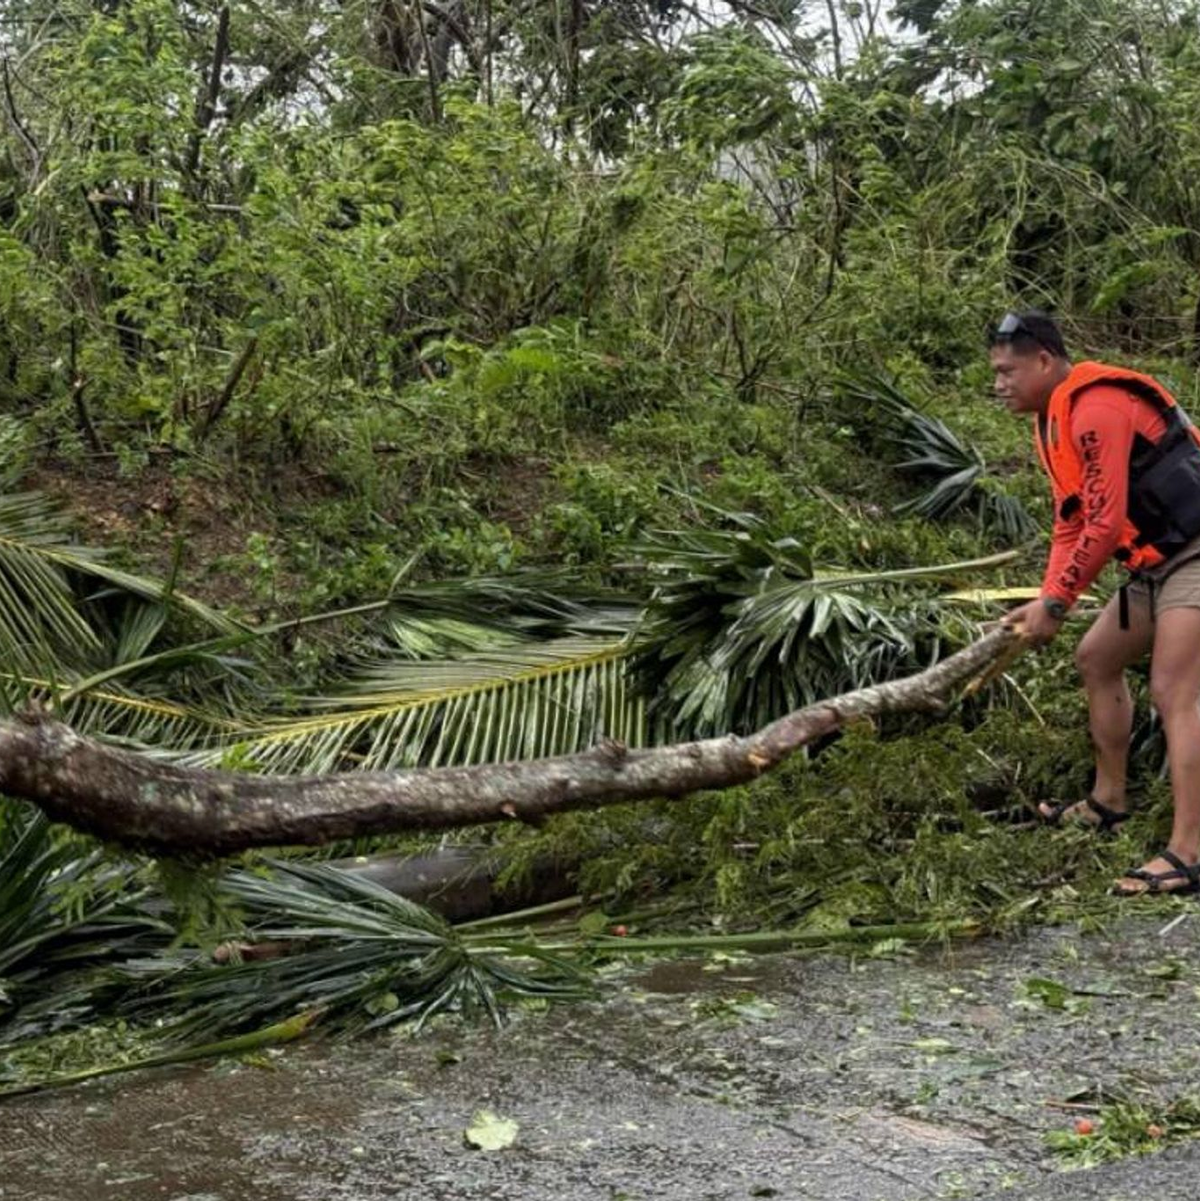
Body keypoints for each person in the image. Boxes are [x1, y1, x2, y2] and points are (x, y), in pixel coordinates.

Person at [988, 309, 1200, 895]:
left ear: (1045, 361)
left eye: (1008, 371)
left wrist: (1055, 604)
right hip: (1156, 563)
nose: (999, 384)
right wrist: (1047, 601)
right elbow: (1071, 526)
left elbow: (1105, 524)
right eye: (995, 373)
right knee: (1097, 658)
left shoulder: (1097, 407)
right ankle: (1109, 803)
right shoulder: (1052, 423)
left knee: (1174, 689)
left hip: (1195, 554)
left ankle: (1190, 853)